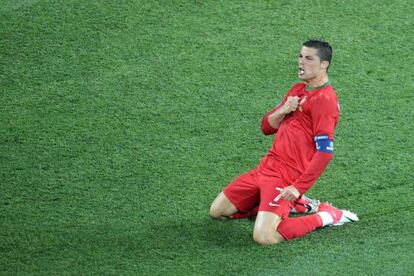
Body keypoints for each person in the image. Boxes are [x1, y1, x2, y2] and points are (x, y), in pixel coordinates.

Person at [209, 39, 358, 245]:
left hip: (286, 177)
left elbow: (325, 152)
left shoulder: (325, 101)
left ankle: (327, 216)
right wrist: (284, 109)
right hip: (265, 168)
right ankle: (295, 206)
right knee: (218, 212)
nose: (301, 62)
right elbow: (266, 127)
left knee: (264, 236)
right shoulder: (297, 89)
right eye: (300, 56)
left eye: (308, 58)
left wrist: (298, 188)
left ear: (324, 65)